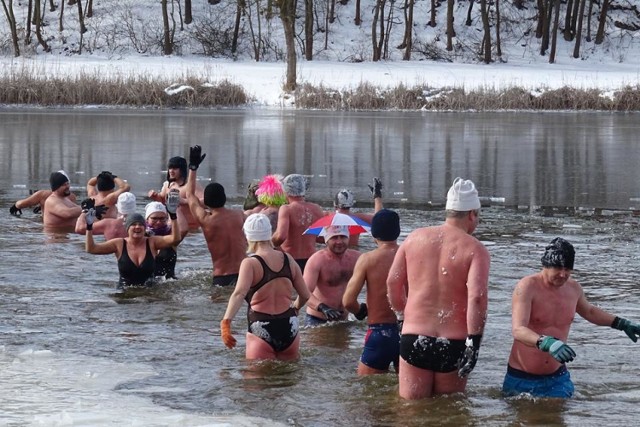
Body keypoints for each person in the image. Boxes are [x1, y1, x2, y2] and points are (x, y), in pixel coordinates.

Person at [387, 177, 490, 400]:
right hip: (452, 342)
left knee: (410, 413)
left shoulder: (414, 238)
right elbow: (477, 298)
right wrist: (474, 342)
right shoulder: (475, 249)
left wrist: (401, 316)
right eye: (478, 217)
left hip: (413, 337)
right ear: (472, 214)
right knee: (449, 412)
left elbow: (393, 282)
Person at [503, 237, 640, 398]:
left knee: (559, 421)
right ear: (546, 265)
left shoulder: (573, 288)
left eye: (568, 269)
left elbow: (589, 312)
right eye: (558, 268)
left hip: (557, 378)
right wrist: (545, 342)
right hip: (522, 377)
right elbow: (518, 330)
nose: (563, 274)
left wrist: (620, 323)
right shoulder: (527, 287)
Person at [220, 213, 310, 360]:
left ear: (248, 237)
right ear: (270, 233)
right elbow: (305, 295)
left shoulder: (250, 263)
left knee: (256, 381)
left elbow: (239, 294)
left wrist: (226, 322)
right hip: (289, 326)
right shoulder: (288, 259)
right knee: (289, 379)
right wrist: (296, 307)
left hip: (261, 328)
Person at [342, 209, 402, 375]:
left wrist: (360, 311)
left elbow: (348, 301)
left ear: (374, 233)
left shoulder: (368, 259)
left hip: (379, 333)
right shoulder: (409, 256)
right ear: (398, 231)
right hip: (408, 331)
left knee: (367, 392)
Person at [85, 190, 181, 292]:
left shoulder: (152, 242)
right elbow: (91, 248)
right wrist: (89, 226)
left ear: (145, 228)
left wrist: (173, 215)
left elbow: (175, 239)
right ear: (127, 229)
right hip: (124, 293)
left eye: (140, 224)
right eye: (133, 224)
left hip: (148, 293)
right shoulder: (119, 244)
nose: (137, 227)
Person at [186, 146, 247, 288]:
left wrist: (193, 168)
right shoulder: (240, 216)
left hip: (222, 277)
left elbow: (190, 195)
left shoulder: (206, 220)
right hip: (245, 274)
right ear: (225, 198)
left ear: (205, 202)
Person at [303, 225, 361, 327]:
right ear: (326, 240)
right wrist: (322, 307)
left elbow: (374, 285)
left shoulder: (357, 258)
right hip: (317, 320)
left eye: (343, 237)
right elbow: (304, 292)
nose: (339, 242)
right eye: (334, 237)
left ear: (348, 238)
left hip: (344, 320)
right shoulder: (317, 260)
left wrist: (361, 308)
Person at [272, 174, 324, 273]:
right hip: (311, 259)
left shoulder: (287, 209)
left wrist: (268, 243)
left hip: (290, 259)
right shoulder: (316, 209)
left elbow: (281, 236)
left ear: (285, 191)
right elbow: (322, 238)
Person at [148, 155, 204, 230]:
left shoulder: (191, 185)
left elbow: (205, 202)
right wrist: (155, 196)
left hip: (191, 228)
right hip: (172, 227)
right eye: (170, 168)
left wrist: (184, 201)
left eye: (174, 168)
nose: (171, 171)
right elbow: (163, 201)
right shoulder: (167, 185)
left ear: (182, 170)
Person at [332, 177, 384, 247]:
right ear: (351, 204)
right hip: (353, 253)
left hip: (333, 252)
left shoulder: (327, 218)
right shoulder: (357, 219)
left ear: (335, 204)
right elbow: (380, 219)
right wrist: (377, 196)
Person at [145, 201, 187, 279]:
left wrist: (174, 208)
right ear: (147, 219)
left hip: (168, 284)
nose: (158, 222)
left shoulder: (171, 236)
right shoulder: (141, 237)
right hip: (146, 285)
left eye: (162, 219)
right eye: (154, 219)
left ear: (167, 219)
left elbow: (183, 229)